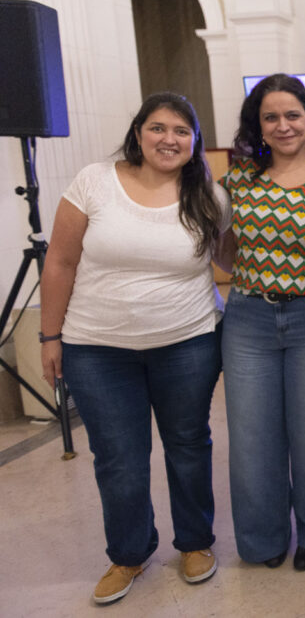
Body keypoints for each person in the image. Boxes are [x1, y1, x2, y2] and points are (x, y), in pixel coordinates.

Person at [39, 93, 229, 604]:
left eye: (181, 132)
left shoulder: (208, 195)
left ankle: (194, 543)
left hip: (187, 342)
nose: (169, 139)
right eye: (158, 128)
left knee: (189, 447)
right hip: (96, 349)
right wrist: (49, 335)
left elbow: (229, 259)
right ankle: (128, 554)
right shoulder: (94, 182)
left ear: (195, 142)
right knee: (119, 459)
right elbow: (58, 262)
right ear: (139, 132)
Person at [220, 73, 305, 572]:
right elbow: (217, 239)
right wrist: (242, 275)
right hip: (249, 321)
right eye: (271, 117)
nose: (283, 125)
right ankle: (263, 542)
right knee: (252, 438)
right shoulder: (238, 178)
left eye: (292, 115)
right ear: (258, 125)